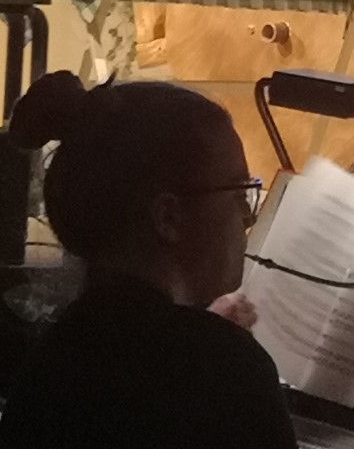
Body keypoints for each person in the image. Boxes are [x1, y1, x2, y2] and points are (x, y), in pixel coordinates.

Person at [0, 73, 295, 449]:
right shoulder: (223, 373)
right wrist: (213, 346)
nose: (247, 217)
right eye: (238, 193)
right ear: (168, 217)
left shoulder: (54, 355)